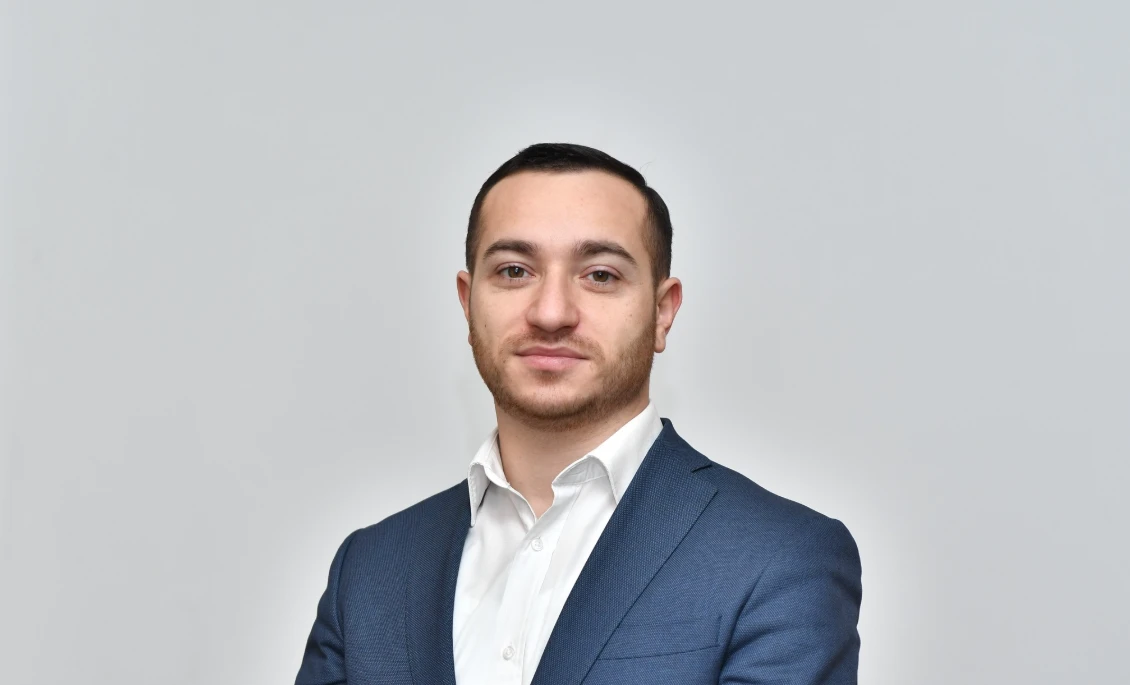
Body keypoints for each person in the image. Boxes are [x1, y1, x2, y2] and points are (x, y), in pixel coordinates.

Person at [294, 143, 863, 685]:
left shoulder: (778, 558)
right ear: (468, 304)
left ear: (662, 312)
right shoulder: (369, 570)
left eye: (600, 276)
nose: (551, 313)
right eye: (514, 271)